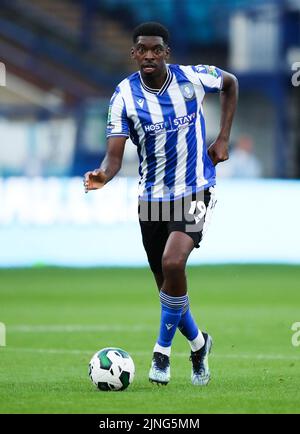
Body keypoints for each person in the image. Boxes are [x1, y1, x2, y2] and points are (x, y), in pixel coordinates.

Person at [84, 22, 238, 386]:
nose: (149, 55)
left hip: (197, 188)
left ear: (166, 52)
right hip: (151, 198)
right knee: (168, 286)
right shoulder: (123, 96)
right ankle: (200, 345)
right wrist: (103, 176)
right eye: (142, 50)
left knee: (173, 263)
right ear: (134, 53)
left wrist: (223, 138)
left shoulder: (192, 79)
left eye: (156, 49)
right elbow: (114, 158)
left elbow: (230, 82)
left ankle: (161, 355)